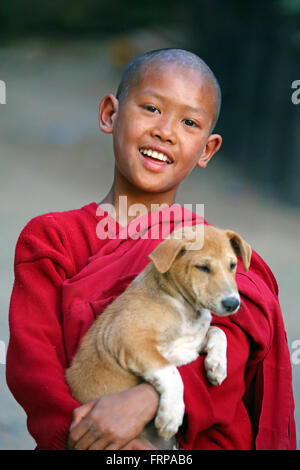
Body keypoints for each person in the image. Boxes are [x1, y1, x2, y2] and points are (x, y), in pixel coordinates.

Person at [6, 48, 296, 450]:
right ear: (110, 113)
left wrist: (148, 398)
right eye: (151, 108)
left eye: (189, 122)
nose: (166, 131)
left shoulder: (207, 246)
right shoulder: (53, 237)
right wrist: (89, 439)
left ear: (207, 150)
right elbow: (33, 364)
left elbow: (241, 330)